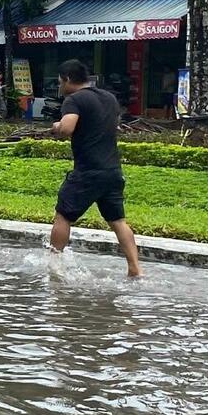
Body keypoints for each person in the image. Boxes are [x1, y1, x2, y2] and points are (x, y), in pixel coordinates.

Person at [49, 58, 142, 279]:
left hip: (87, 172)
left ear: (68, 79)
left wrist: (56, 128)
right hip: (112, 171)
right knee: (118, 221)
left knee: (62, 216)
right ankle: (135, 269)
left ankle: (54, 266)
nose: (60, 87)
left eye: (60, 82)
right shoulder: (109, 98)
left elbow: (68, 128)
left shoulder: (74, 100)